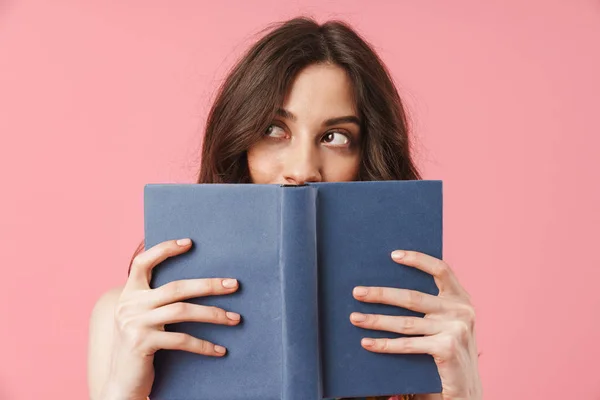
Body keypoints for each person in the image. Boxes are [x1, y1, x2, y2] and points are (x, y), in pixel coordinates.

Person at [87, 16, 482, 400]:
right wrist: (125, 391)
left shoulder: (425, 320)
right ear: (238, 142)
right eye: (275, 130)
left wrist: (463, 392)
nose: (302, 170)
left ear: (368, 158)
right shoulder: (126, 320)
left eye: (334, 136)